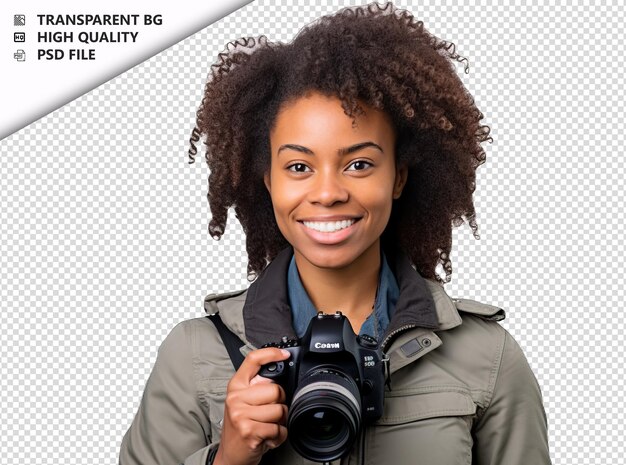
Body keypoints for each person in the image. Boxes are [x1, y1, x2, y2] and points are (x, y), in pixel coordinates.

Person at [119, 2, 552, 464]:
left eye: (359, 164)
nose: (327, 193)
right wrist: (226, 458)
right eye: (299, 166)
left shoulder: (487, 357)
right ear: (269, 181)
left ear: (399, 177)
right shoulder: (194, 354)